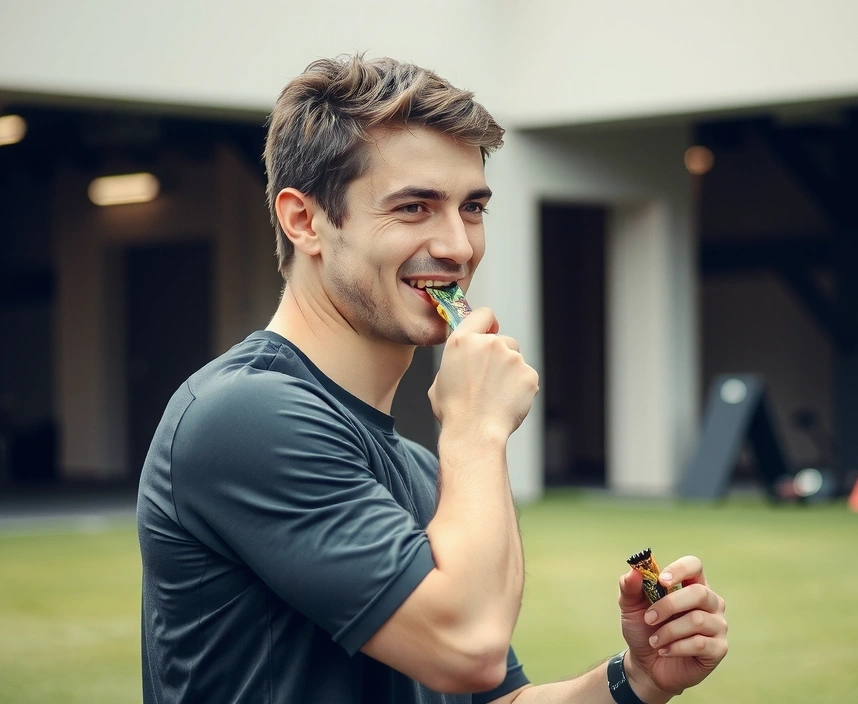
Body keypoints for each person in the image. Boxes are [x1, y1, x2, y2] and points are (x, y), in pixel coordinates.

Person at [136, 54, 728, 704]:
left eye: (472, 207)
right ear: (303, 220)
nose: (458, 246)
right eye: (414, 207)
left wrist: (635, 679)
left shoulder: (420, 469)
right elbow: (466, 649)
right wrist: (477, 427)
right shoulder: (242, 416)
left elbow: (494, 696)